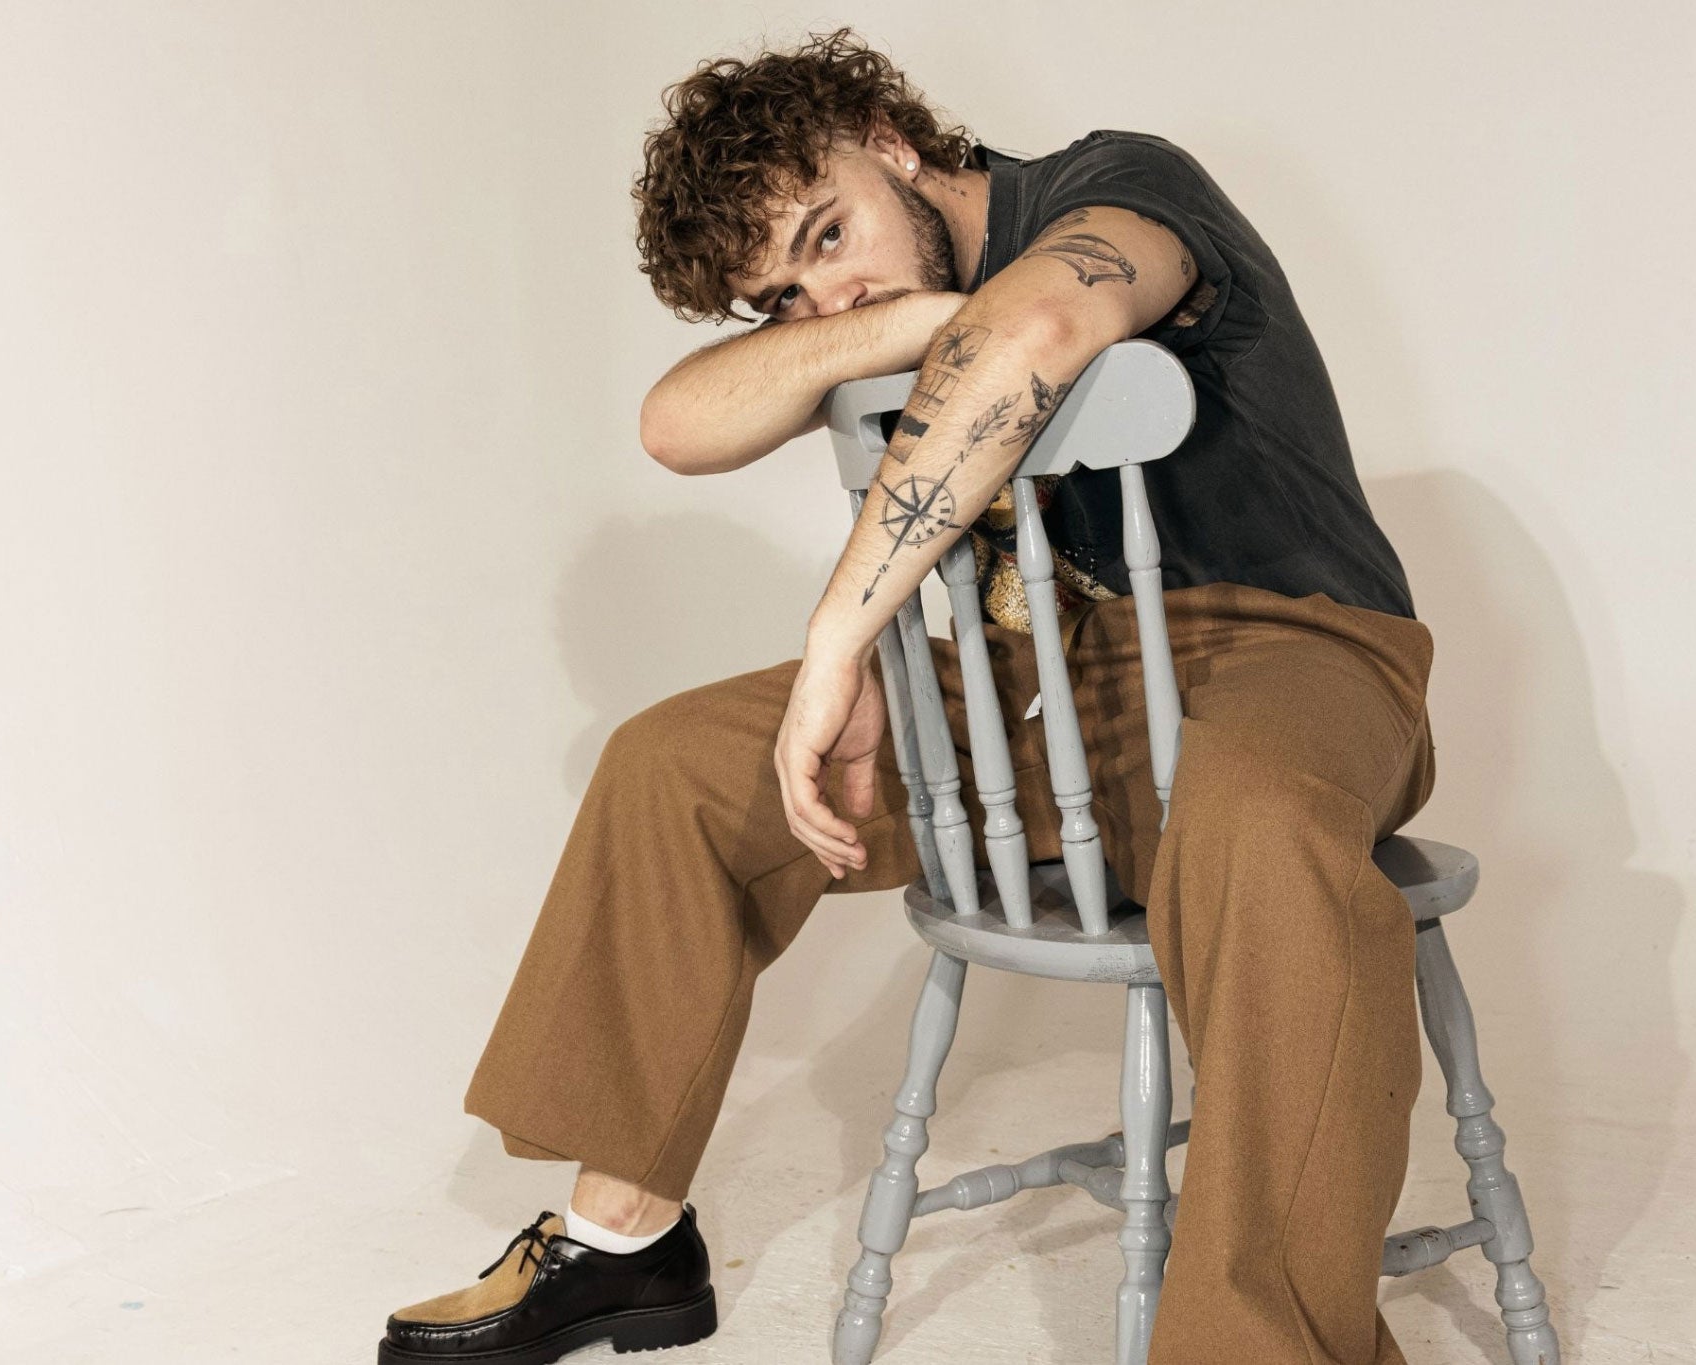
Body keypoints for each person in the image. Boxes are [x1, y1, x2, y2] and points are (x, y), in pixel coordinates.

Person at [379, 26, 1441, 1365]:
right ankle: (622, 1241)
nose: (824, 297)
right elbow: (675, 423)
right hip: (1038, 690)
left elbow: (1043, 323)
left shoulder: (1116, 186)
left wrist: (846, 633)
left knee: (1260, 825)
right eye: (784, 296)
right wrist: (896, 321)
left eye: (829, 233)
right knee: (672, 762)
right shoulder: (869, 310)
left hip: (1284, 649)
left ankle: (1260, 1347)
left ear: (893, 141)